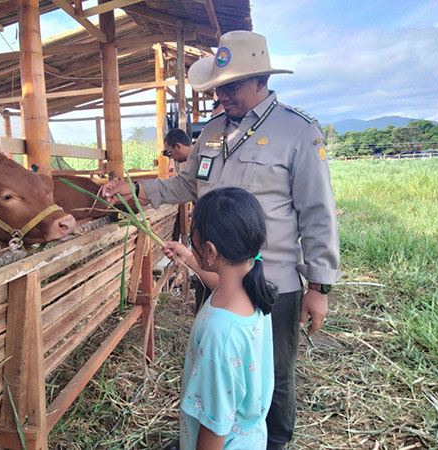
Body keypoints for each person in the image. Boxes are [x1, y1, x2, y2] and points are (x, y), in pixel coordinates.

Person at [103, 30, 341, 449]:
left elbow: (317, 212)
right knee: (219, 365)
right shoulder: (212, 132)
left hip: (274, 282)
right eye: (218, 87)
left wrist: (318, 287)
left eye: (230, 86)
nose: (222, 95)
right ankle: (213, 431)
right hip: (214, 272)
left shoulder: (298, 132)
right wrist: (138, 191)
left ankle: (270, 441)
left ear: (260, 80)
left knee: (272, 371)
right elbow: (186, 186)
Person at [161, 187, 277, 449]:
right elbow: (217, 282)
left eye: (193, 240)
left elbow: (214, 425)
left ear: (210, 251)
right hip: (250, 437)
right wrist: (190, 257)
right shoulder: (252, 288)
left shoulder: (219, 336)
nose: (192, 244)